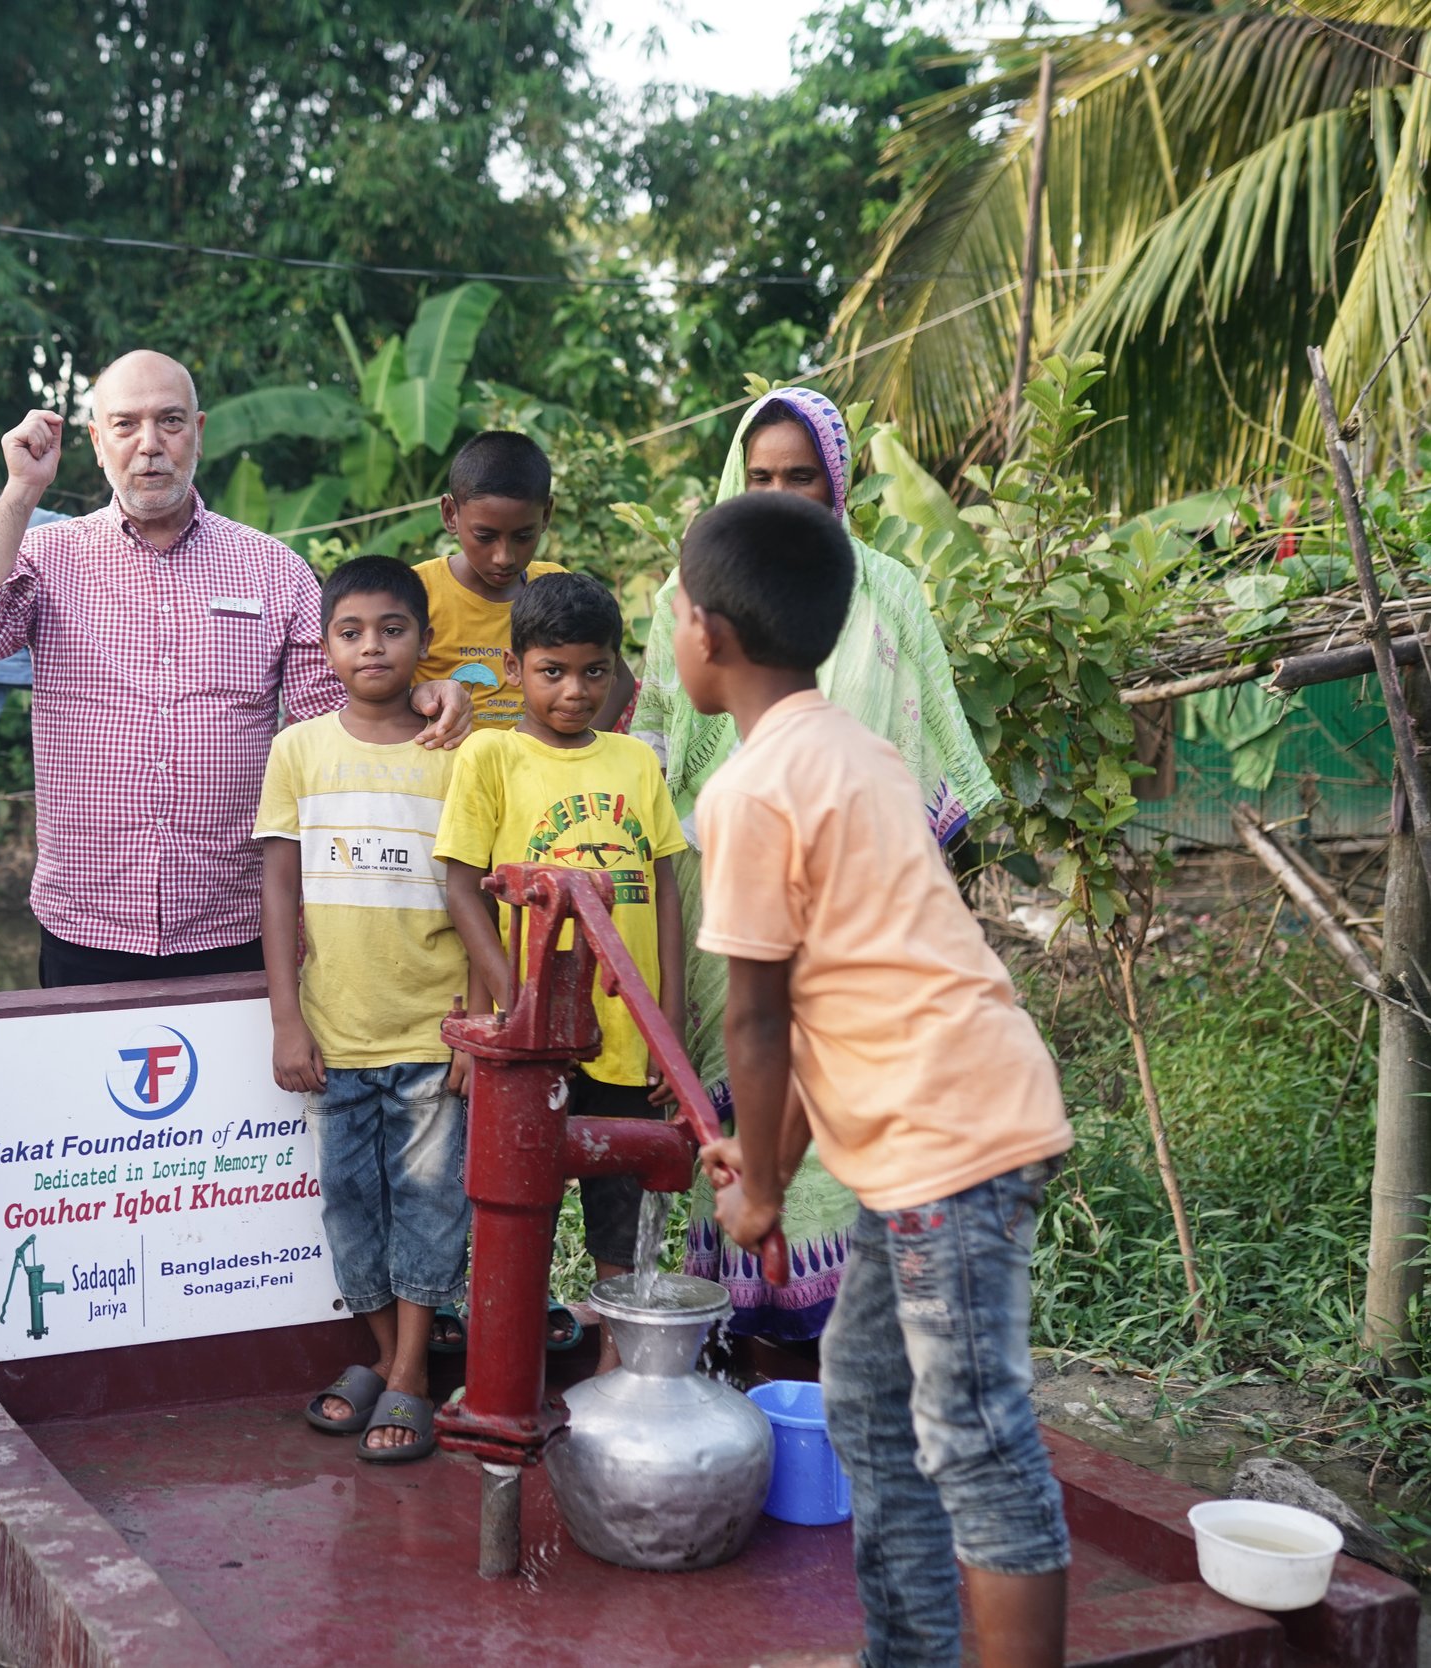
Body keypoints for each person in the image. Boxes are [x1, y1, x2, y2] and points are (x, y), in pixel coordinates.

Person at [683, 491, 1071, 1668]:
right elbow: (816, 1010)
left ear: (707, 635)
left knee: (974, 1437)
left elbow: (754, 1019)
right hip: (943, 1124)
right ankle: (905, 1655)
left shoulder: (748, 792)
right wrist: (766, 1163)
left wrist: (754, 1193)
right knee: (864, 1405)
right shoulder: (857, 747)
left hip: (944, 1143)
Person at [631, 385, 998, 1344]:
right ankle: (769, 1356)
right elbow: (651, 760)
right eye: (760, 478)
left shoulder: (888, 594)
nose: (782, 494)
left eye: (802, 476)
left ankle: (829, 1363)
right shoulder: (686, 592)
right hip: (727, 914)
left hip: (846, 917)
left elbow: (937, 774)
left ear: (836, 482)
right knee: (768, 1085)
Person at [0, 349, 474, 987]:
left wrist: (422, 696)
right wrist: (22, 491)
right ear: (96, 441)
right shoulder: (47, 556)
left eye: (170, 422)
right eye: (126, 424)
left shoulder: (273, 569)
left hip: (236, 923)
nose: (150, 445)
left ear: (200, 431)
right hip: (86, 921)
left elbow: (335, 723)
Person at [436, 572, 686, 1367]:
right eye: (552, 671)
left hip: (627, 1037)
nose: (574, 692)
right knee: (522, 1211)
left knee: (621, 1217)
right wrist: (515, 1007)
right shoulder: (491, 757)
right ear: (515, 671)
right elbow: (459, 885)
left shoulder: (636, 765)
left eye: (593, 671)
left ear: (617, 672)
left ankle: (614, 1378)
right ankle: (512, 1371)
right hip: (535, 1043)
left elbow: (669, 894)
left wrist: (667, 1027)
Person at [255, 556, 471, 1461]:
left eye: (392, 629)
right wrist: (285, 1018)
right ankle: (389, 1359)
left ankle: (414, 1371)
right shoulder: (299, 748)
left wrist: (479, 1016)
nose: (372, 646)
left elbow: (481, 892)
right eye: (351, 631)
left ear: (424, 642)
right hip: (334, 1031)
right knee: (350, 1204)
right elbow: (276, 892)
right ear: (325, 645)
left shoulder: (458, 754)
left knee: (429, 1205)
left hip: (432, 1028)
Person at [414, 431, 566, 728]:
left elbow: (616, 678)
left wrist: (570, 752)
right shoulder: (413, 594)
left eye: (523, 536)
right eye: (485, 536)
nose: (504, 557)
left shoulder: (557, 591)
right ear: (450, 514)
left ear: (546, 514)